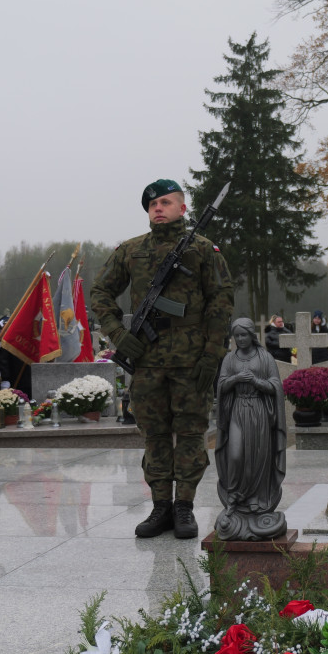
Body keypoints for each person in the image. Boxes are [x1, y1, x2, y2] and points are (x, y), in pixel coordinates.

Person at [90, 179, 233, 539]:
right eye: (152, 204)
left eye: (166, 202)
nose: (158, 208)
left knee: (189, 434)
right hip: (147, 361)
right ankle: (160, 506)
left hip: (190, 362)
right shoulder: (130, 251)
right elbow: (101, 291)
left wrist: (212, 356)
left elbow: (221, 302)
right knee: (153, 435)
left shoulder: (203, 251)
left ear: (183, 209)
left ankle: (184, 506)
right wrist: (119, 334)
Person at [213, 318, 287, 540]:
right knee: (235, 455)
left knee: (257, 457)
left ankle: (255, 500)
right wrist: (235, 379)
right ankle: (235, 497)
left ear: (251, 335)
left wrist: (256, 381)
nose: (240, 339)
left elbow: (275, 386)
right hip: (237, 410)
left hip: (259, 412)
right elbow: (221, 386)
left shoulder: (264, 357)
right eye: (236, 336)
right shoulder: (229, 358)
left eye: (244, 335)